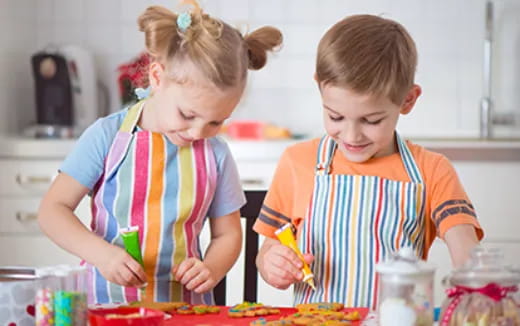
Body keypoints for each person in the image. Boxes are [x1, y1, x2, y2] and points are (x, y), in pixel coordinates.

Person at [38, 0, 282, 305]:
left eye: (216, 121)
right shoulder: (107, 136)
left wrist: (211, 268)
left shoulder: (216, 153)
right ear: (157, 77)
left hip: (186, 310)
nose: (197, 133)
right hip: (107, 304)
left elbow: (228, 236)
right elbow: (52, 211)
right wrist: (102, 254)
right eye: (187, 114)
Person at [254, 14, 483, 308]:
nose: (351, 135)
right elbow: (267, 250)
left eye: (371, 120)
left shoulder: (432, 170)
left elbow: (465, 250)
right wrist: (272, 263)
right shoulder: (298, 162)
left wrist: (479, 292)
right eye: (335, 117)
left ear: (408, 101)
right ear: (320, 88)